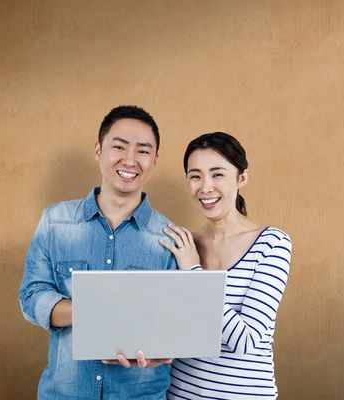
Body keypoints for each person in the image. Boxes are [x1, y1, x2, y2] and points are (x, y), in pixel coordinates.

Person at [18, 105, 175, 400]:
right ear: (98, 150)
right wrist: (93, 312)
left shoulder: (170, 238)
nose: (130, 160)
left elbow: (174, 323)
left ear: (155, 161)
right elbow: (31, 296)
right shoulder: (55, 222)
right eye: (119, 146)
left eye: (143, 151)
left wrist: (160, 354)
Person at [160, 132, 292, 399]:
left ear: (241, 178)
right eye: (195, 176)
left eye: (217, 174)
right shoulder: (184, 245)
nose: (206, 187)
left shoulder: (272, 244)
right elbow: (171, 332)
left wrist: (194, 273)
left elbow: (245, 340)